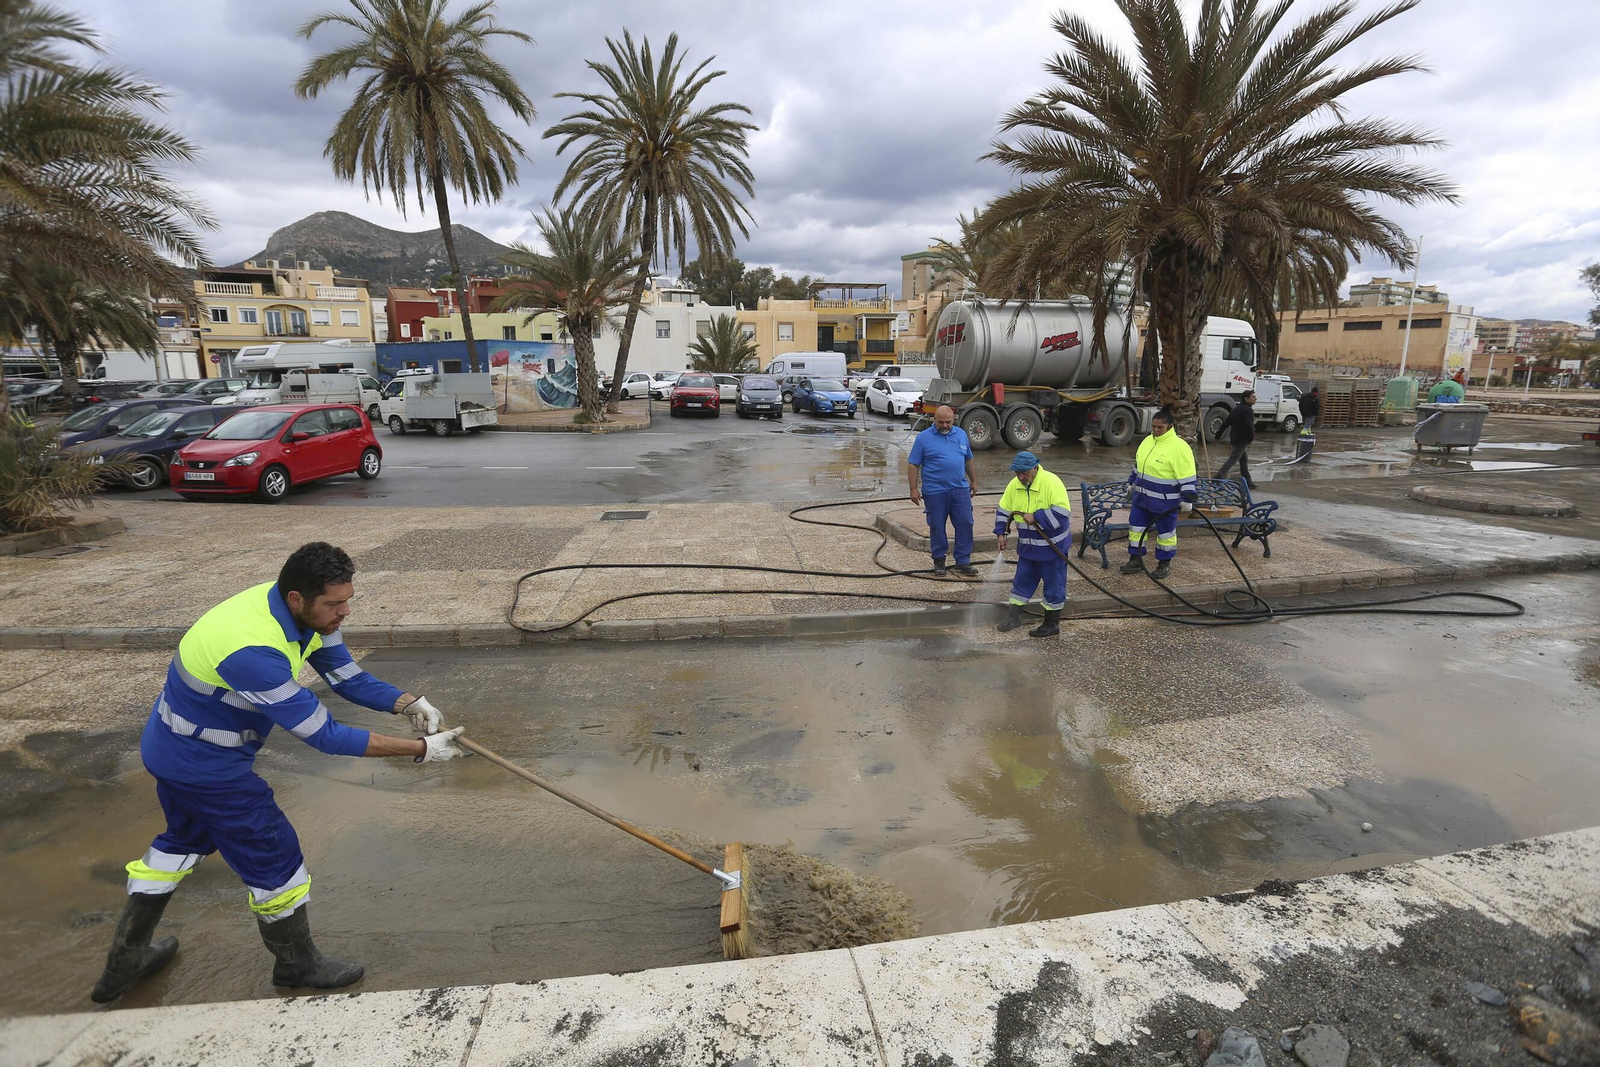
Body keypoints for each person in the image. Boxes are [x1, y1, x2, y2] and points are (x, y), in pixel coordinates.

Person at [90, 542, 471, 1004]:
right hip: (206, 767)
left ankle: (125, 960)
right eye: (335, 603)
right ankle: (297, 964)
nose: (344, 612)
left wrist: (409, 702)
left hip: (173, 750)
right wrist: (420, 750)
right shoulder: (252, 650)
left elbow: (346, 676)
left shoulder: (301, 612)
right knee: (274, 855)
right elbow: (325, 735)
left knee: (182, 841)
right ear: (297, 598)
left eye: (347, 599)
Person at [993, 451, 1071, 638]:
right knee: (1021, 582)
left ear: (1035, 468)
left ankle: (1052, 625)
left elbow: (1062, 512)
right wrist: (1001, 533)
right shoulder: (1014, 485)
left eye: (1024, 473)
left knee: (1054, 585)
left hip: (1052, 549)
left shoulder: (1052, 482)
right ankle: (1014, 618)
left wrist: (1037, 516)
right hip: (1028, 548)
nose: (1020, 477)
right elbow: (1004, 510)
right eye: (1017, 473)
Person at [1120, 408, 1197, 580]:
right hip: (1141, 499)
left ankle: (1164, 564)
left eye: (1159, 427)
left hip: (1165, 503)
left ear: (1170, 426)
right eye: (1153, 426)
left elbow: (1187, 475)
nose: (1155, 430)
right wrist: (1131, 483)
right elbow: (1138, 466)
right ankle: (1136, 560)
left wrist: (1187, 498)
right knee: (1136, 530)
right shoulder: (1147, 441)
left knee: (1166, 534)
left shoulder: (1179, 448)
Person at [907, 404, 979, 577]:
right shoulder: (923, 438)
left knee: (965, 522)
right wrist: (913, 489)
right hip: (935, 491)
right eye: (941, 422)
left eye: (948, 422)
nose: (945, 425)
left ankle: (963, 561)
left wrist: (974, 481)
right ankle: (939, 560)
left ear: (953, 419)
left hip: (960, 489)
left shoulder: (961, 434)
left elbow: (968, 459)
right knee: (937, 526)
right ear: (934, 420)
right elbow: (913, 464)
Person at [1214, 390, 1259, 489]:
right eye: (1253, 397)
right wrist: (1251, 437)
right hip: (1242, 439)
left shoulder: (1235, 409)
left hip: (1234, 438)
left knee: (1243, 460)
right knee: (1233, 459)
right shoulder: (1248, 410)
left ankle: (1247, 481)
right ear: (1246, 399)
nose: (1255, 399)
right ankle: (1218, 477)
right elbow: (1249, 425)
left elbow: (1226, 423)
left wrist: (1218, 435)